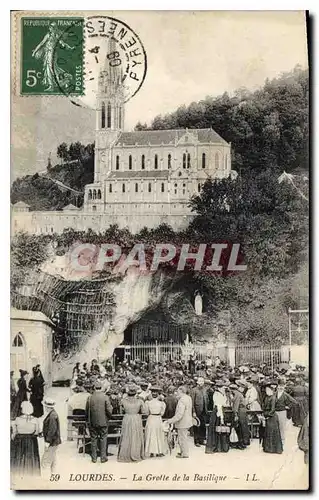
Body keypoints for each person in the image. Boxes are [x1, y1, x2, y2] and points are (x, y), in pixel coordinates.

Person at [11, 401, 41, 477]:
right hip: (31, 440)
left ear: (22, 409)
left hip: (19, 440)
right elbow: (36, 432)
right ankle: (31, 473)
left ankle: (17, 473)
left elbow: (14, 434)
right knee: (31, 457)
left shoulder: (17, 419)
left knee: (18, 457)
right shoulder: (36, 420)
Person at [85, 382, 113, 463]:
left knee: (93, 439)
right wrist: (109, 416)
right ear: (101, 388)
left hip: (92, 422)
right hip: (103, 421)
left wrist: (88, 420)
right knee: (103, 438)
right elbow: (109, 410)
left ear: (94, 388)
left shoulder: (90, 397)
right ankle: (103, 457)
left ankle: (94, 457)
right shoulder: (105, 397)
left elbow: (87, 411)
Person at [118, 384, 145, 463]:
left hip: (127, 418)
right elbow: (144, 411)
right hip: (136, 418)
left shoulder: (123, 401)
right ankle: (136, 453)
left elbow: (120, 412)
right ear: (136, 393)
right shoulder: (140, 401)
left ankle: (125, 454)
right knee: (136, 436)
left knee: (126, 435)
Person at [167, 385, 193, 459]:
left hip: (182, 422)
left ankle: (184, 454)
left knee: (182, 438)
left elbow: (179, 414)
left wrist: (171, 421)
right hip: (187, 421)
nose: (176, 393)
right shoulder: (188, 398)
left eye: (178, 391)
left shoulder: (182, 400)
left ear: (181, 391)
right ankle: (183, 451)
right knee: (184, 437)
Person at [206, 380, 231, 453]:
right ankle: (214, 446)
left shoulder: (222, 394)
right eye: (223, 388)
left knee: (219, 429)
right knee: (216, 428)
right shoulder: (217, 394)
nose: (224, 389)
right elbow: (219, 406)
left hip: (220, 411)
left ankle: (219, 446)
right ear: (219, 388)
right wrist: (222, 418)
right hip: (217, 412)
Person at [144, 387, 166, 458]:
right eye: (153, 392)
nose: (154, 393)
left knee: (152, 434)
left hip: (151, 418)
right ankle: (158, 451)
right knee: (157, 434)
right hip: (157, 418)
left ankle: (152, 451)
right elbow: (162, 413)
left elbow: (146, 412)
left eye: (155, 392)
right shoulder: (162, 403)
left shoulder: (148, 402)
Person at [41, 398, 62, 476]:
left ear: (48, 407)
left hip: (52, 441)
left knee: (46, 460)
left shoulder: (52, 416)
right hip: (54, 441)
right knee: (53, 458)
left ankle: (46, 477)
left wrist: (47, 442)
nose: (45, 408)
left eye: (45, 406)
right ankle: (53, 474)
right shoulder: (53, 414)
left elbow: (52, 430)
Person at [274, 378, 296, 447]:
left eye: (282, 386)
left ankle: (282, 441)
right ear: (277, 386)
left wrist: (288, 407)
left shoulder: (285, 395)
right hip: (274, 412)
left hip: (282, 412)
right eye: (279, 386)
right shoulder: (274, 394)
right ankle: (275, 441)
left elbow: (294, 402)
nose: (280, 387)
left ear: (284, 387)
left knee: (281, 427)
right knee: (275, 426)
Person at [262, 383, 283, 454]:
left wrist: (267, 415)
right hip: (268, 416)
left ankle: (274, 449)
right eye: (266, 390)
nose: (266, 391)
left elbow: (273, 409)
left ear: (271, 390)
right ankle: (268, 448)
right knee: (268, 432)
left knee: (272, 432)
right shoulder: (267, 397)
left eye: (268, 390)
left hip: (272, 417)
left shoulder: (273, 398)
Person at [231, 381, 250, 449]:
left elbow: (236, 405)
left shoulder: (238, 394)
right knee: (242, 427)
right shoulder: (238, 394)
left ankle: (242, 442)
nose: (243, 388)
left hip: (241, 411)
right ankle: (242, 442)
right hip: (241, 411)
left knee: (241, 427)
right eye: (242, 387)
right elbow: (236, 405)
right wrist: (236, 414)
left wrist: (235, 414)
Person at [192, 377, 208, 446]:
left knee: (203, 426)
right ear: (197, 383)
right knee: (196, 425)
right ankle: (196, 441)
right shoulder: (194, 390)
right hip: (197, 410)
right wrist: (193, 411)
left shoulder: (204, 390)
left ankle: (202, 439)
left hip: (204, 410)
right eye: (200, 382)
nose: (201, 384)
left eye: (202, 382)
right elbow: (192, 402)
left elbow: (206, 399)